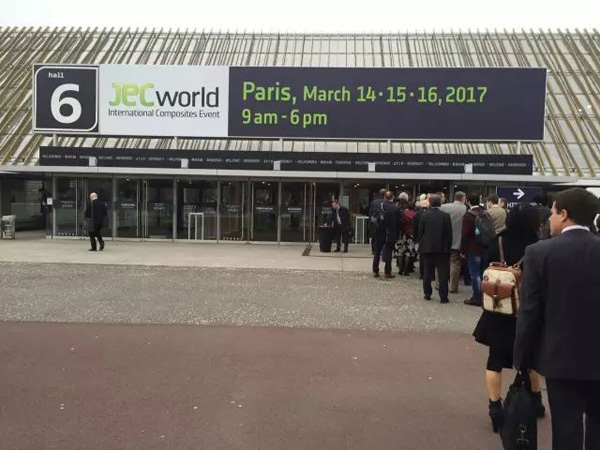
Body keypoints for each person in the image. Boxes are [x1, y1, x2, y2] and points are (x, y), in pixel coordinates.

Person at [514, 188, 600, 450]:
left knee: (566, 426)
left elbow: (530, 311)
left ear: (564, 214)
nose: (549, 219)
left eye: (551, 213)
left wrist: (522, 358)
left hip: (560, 355)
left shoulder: (540, 252)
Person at [472, 203, 545, 433]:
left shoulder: (498, 242)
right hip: (527, 310)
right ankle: (535, 401)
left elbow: (486, 267)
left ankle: (495, 406)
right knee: (532, 359)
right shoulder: (539, 246)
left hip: (499, 307)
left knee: (495, 360)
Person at [418, 194, 453, 303]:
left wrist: (422, 244)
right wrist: (448, 247)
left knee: (427, 272)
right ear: (440, 203)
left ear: (430, 203)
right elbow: (449, 233)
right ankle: (443, 296)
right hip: (442, 248)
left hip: (427, 248)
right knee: (442, 273)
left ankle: (427, 293)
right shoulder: (446, 216)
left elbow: (420, 232)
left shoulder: (424, 215)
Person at [461, 193, 490, 307]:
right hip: (485, 247)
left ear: (468, 202)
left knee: (475, 274)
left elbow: (465, 234)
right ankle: (484, 296)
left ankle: (477, 297)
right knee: (483, 273)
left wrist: (463, 250)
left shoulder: (468, 216)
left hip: (473, 248)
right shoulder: (485, 213)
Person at [441, 191, 467, 293]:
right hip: (457, 240)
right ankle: (453, 286)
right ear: (463, 198)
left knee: (441, 263)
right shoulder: (465, 209)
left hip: (443, 240)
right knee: (455, 264)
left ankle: (439, 284)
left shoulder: (443, 207)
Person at [372, 191, 400, 279]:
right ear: (393, 197)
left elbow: (373, 218)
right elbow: (398, 223)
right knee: (388, 253)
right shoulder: (395, 208)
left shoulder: (378, 205)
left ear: (384, 197)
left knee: (377, 252)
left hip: (379, 231)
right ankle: (387, 272)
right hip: (390, 233)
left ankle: (375, 270)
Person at [396, 200, 417, 276]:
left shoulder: (403, 213)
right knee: (409, 252)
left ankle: (400, 268)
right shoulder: (415, 215)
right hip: (411, 235)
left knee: (400, 251)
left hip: (402, 234)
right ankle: (407, 269)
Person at [414, 194, 430, 280]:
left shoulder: (417, 214)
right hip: (429, 238)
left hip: (421, 238)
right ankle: (428, 273)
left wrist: (416, 238)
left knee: (422, 256)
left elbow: (415, 227)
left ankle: (422, 273)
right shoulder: (430, 214)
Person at [369, 188, 387, 255]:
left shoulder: (374, 202)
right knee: (383, 237)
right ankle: (382, 250)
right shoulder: (386, 202)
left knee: (374, 237)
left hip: (374, 221)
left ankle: (373, 250)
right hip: (383, 221)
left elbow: (370, 213)